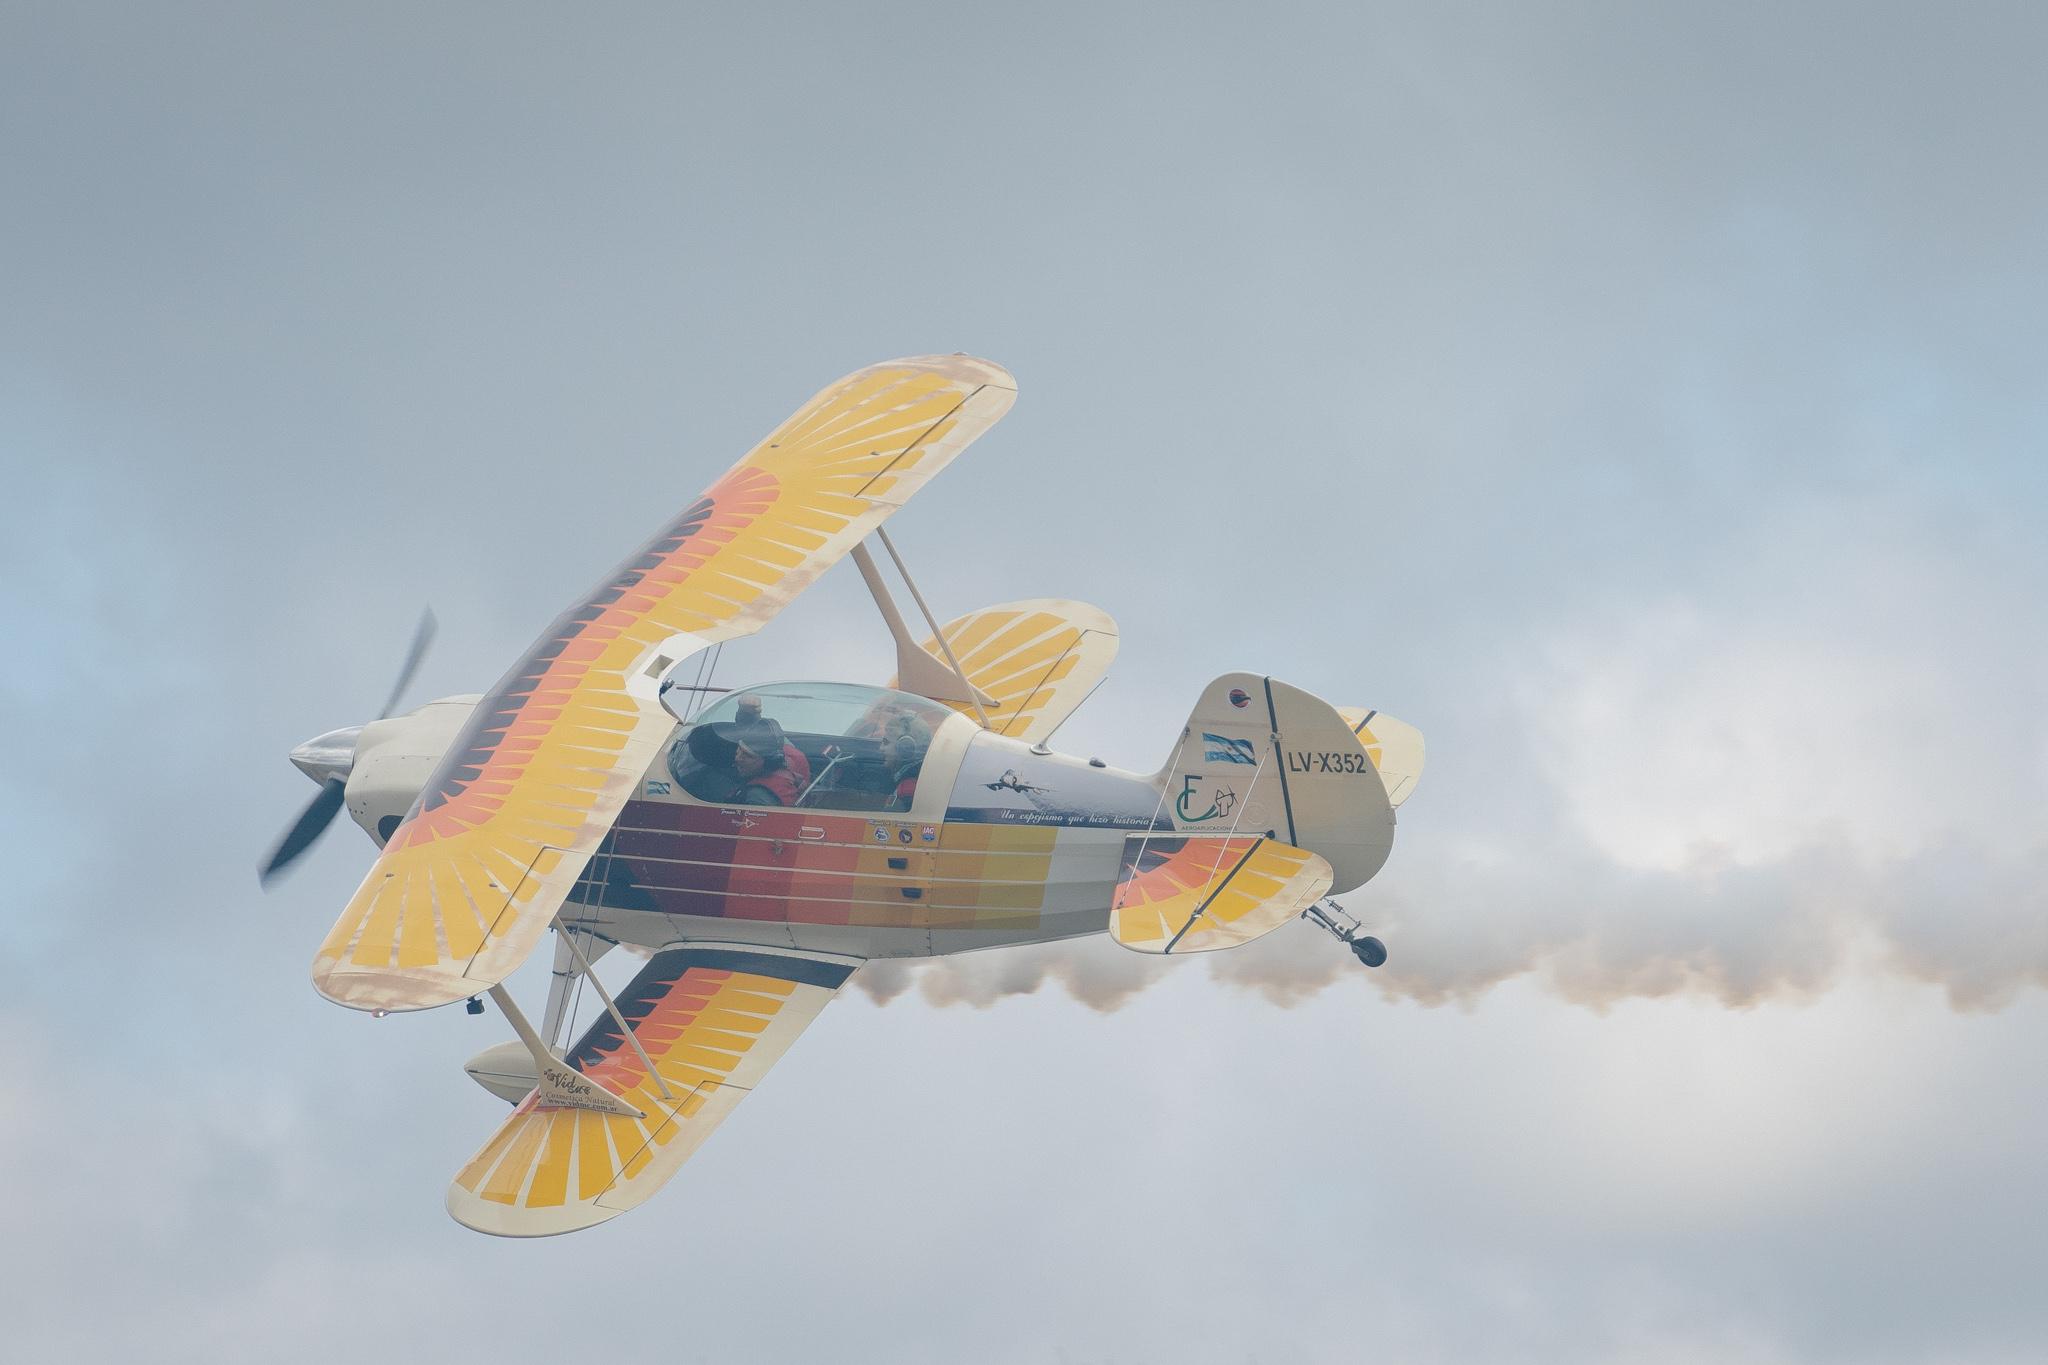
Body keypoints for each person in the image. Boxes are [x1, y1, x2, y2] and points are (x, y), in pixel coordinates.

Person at [878, 713, 931, 811]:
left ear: (905, 747)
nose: (880, 748)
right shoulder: (919, 775)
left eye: (886, 742)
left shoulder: (908, 787)